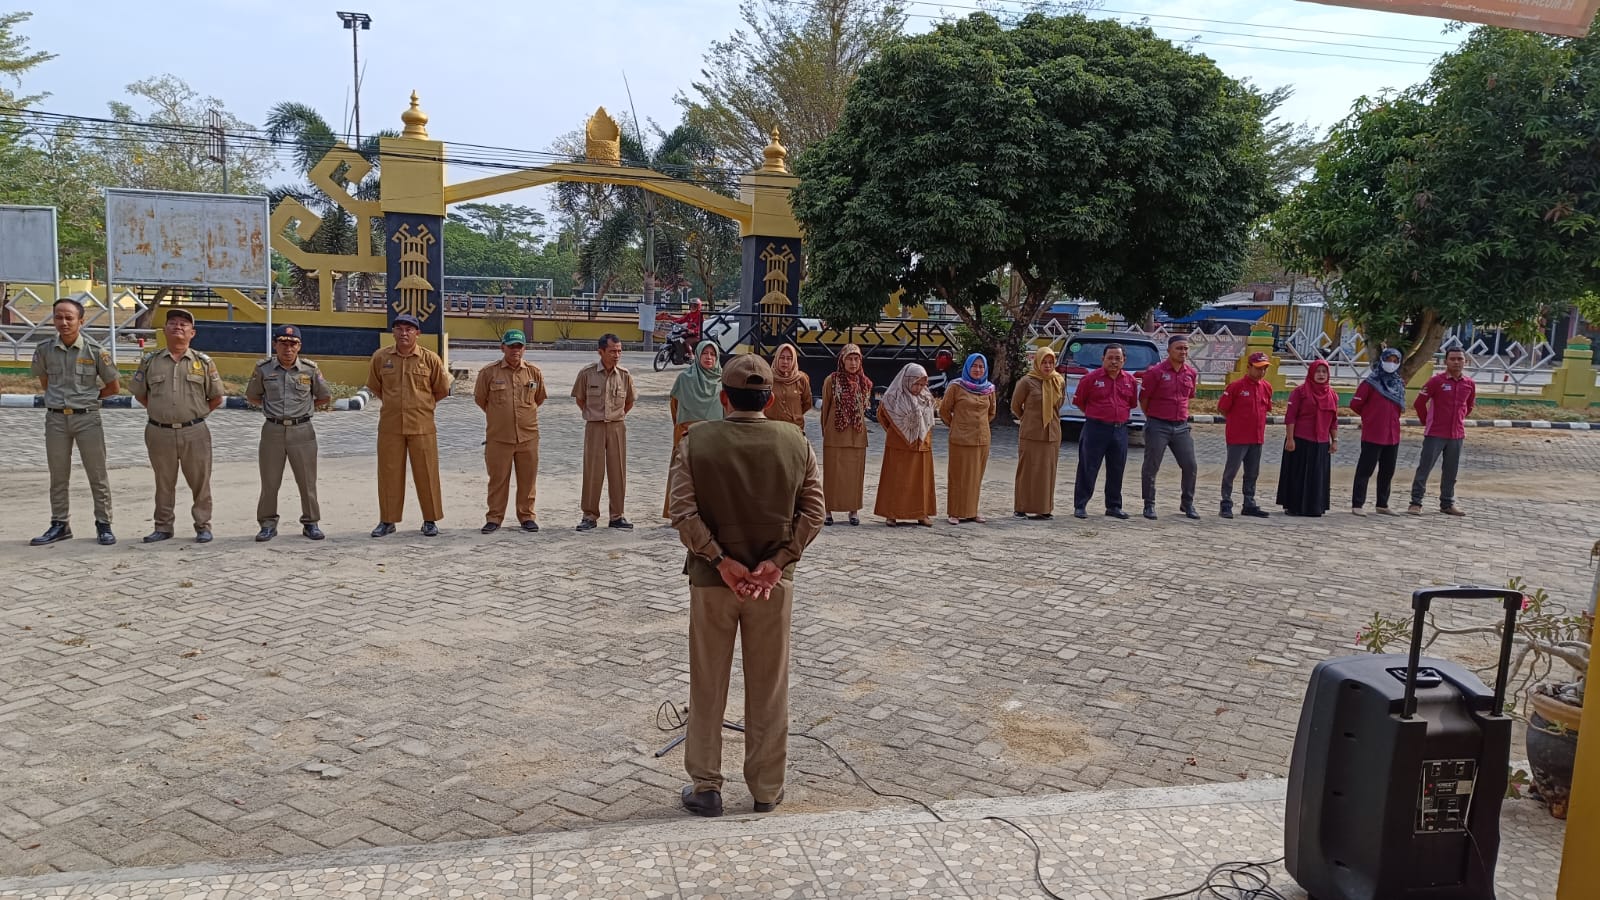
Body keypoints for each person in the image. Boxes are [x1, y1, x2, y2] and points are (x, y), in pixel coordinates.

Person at [668, 354, 825, 818]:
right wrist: (776, 564)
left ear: (723, 396)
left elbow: (682, 512)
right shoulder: (795, 441)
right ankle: (766, 788)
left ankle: (707, 787)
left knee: (708, 684)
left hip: (713, 583)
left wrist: (721, 560)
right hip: (771, 586)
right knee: (769, 685)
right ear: (771, 398)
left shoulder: (696, 441)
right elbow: (814, 512)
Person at [30, 297, 121, 546]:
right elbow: (46, 383)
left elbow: (114, 387)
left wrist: (89, 398)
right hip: (56, 420)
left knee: (97, 474)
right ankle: (59, 525)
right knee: (58, 475)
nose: (63, 322)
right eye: (58, 317)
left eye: (69, 317)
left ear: (81, 321)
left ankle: (104, 524)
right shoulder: (44, 350)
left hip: (87, 419)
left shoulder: (95, 351)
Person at [131, 308, 225, 543]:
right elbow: (141, 395)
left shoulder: (203, 363)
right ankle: (163, 527)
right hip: (159, 431)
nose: (178, 327)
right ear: (165, 330)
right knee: (163, 482)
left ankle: (203, 526)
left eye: (184, 324)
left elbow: (216, 398)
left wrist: (194, 415)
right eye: (172, 323)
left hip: (195, 432)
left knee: (200, 482)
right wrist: (162, 413)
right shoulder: (150, 361)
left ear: (192, 333)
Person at [366, 313, 452, 537]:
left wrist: (422, 405)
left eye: (409, 329)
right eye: (399, 329)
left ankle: (430, 519)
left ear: (417, 333)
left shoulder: (430, 359)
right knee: (389, 473)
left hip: (422, 425)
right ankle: (388, 520)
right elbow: (376, 387)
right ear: (393, 332)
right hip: (390, 426)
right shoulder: (381, 357)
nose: (404, 333)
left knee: (427, 473)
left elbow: (441, 389)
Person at [246, 324, 332, 542]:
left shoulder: (310, 370)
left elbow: (323, 396)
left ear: (299, 346)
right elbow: (253, 396)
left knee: (306, 481)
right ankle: (267, 524)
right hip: (272, 430)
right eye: (283, 343)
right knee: (270, 482)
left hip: (302, 431)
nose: (288, 348)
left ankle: (311, 523)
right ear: (275, 344)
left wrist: (302, 410)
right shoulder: (263, 369)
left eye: (292, 344)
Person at [473, 330, 547, 534]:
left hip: (528, 437)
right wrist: (500, 416)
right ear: (502, 347)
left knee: (528, 480)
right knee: (497, 480)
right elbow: (481, 399)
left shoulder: (533, 372)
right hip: (499, 438)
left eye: (519, 346)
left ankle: (527, 516)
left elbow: (538, 399)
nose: (516, 350)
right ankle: (494, 518)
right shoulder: (489, 373)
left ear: (524, 348)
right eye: (512, 346)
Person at [572, 333, 638, 531]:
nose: (616, 355)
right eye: (612, 351)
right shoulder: (587, 374)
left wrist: (618, 415)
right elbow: (580, 399)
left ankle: (617, 515)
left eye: (619, 351)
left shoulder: (625, 375)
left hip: (617, 427)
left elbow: (630, 402)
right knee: (593, 471)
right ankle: (589, 516)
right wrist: (594, 414)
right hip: (595, 426)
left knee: (618, 471)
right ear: (600, 352)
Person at [1071, 344, 1138, 520]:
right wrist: (1097, 415)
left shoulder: (1129, 381)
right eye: (1110, 358)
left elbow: (1131, 403)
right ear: (1102, 359)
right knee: (1088, 467)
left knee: (1117, 468)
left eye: (1118, 358)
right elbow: (1080, 402)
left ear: (1124, 360)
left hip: (1120, 429)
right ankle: (1080, 505)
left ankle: (1114, 506)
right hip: (1096, 428)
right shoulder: (1090, 379)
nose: (1114, 362)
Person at [1139, 334, 1200, 520]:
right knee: (1151, 466)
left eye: (1186, 349)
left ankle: (1187, 503)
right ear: (1169, 350)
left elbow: (1189, 396)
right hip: (1158, 425)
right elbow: (1144, 399)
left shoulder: (1190, 373)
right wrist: (1153, 417)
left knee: (1190, 465)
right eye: (1179, 348)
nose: (1183, 352)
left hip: (1181, 426)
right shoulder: (1155, 372)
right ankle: (1149, 504)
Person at [1409, 347, 1475, 516]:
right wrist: (1426, 421)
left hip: (1456, 435)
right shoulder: (1436, 381)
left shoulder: (1469, 384)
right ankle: (1416, 502)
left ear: (1465, 362)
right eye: (1452, 359)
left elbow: (1469, 406)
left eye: (1460, 359)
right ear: (1445, 361)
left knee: (1451, 471)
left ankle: (1447, 503)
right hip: (1435, 433)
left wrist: (1459, 418)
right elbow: (1419, 403)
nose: (1456, 362)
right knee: (1425, 468)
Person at [663, 341, 724, 517]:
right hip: (686, 433)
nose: (709, 357)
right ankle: (680, 511)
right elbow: (675, 407)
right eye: (705, 353)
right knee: (684, 475)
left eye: (713, 354)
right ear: (697, 355)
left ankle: (709, 511)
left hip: (714, 436)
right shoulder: (684, 379)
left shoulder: (722, 381)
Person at [873, 363, 938, 526]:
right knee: (896, 479)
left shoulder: (927, 397)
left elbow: (930, 419)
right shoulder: (892, 397)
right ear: (907, 380)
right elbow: (882, 416)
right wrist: (899, 431)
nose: (919, 387)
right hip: (898, 445)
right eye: (916, 383)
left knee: (920, 480)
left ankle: (921, 513)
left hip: (921, 444)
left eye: (922, 384)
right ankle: (891, 513)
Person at [938, 353, 997, 524]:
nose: (977, 370)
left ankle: (972, 511)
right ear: (967, 367)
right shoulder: (956, 386)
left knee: (975, 477)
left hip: (982, 439)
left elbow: (991, 412)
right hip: (961, 439)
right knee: (959, 476)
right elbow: (944, 411)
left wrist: (980, 426)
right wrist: (956, 425)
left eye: (981, 366)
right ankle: (955, 512)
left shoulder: (989, 389)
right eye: (974, 366)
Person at [1277, 358, 1339, 517]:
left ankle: (1315, 507)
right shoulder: (1300, 392)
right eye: (1317, 371)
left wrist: (1334, 441)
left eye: (1324, 372)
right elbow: (1291, 417)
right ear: (1311, 373)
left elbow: (1333, 420)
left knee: (1317, 476)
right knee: (1298, 475)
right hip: (1300, 440)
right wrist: (1290, 439)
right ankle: (1294, 506)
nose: (1321, 375)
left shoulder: (1332, 395)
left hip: (1321, 442)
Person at [1216, 352, 1274, 519]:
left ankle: (1249, 502)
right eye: (1258, 368)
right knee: (1231, 472)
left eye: (1264, 369)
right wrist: (1236, 422)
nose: (1261, 372)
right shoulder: (1236, 387)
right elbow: (1223, 408)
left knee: (1252, 472)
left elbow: (1266, 408)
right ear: (1248, 367)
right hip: (1238, 437)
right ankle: (1226, 503)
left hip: (1256, 437)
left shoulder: (1266, 387)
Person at [819, 344, 871, 526]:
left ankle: (853, 510)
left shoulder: (865, 383)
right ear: (842, 360)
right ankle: (828, 510)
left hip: (857, 437)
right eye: (849, 358)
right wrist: (826, 432)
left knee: (855, 476)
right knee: (833, 474)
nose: (853, 363)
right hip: (835, 435)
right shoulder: (831, 381)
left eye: (856, 359)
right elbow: (825, 409)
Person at [1351, 347, 1405, 516]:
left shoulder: (1399, 383)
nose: (1392, 364)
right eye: (1389, 360)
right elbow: (1356, 404)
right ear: (1382, 360)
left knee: (1387, 471)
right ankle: (1357, 504)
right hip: (1373, 433)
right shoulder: (1370, 383)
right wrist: (1370, 417)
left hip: (1392, 434)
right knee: (1365, 470)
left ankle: (1382, 504)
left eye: (1396, 361)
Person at [1011, 347, 1063, 520]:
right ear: (1037, 363)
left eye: (1050, 362)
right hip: (1031, 433)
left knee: (1047, 471)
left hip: (1052, 434)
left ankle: (1044, 508)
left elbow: (1059, 405)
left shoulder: (1058, 381)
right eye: (1044, 362)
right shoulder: (1027, 381)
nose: (1047, 366)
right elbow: (1016, 406)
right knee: (1027, 470)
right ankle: (1021, 506)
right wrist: (1028, 419)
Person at [768, 343, 812, 429]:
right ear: (776, 358)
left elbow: (807, 403)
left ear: (794, 360)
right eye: (782, 357)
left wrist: (795, 414)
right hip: (772, 428)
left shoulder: (801, 379)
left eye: (789, 359)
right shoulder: (768, 378)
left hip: (794, 427)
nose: (785, 362)